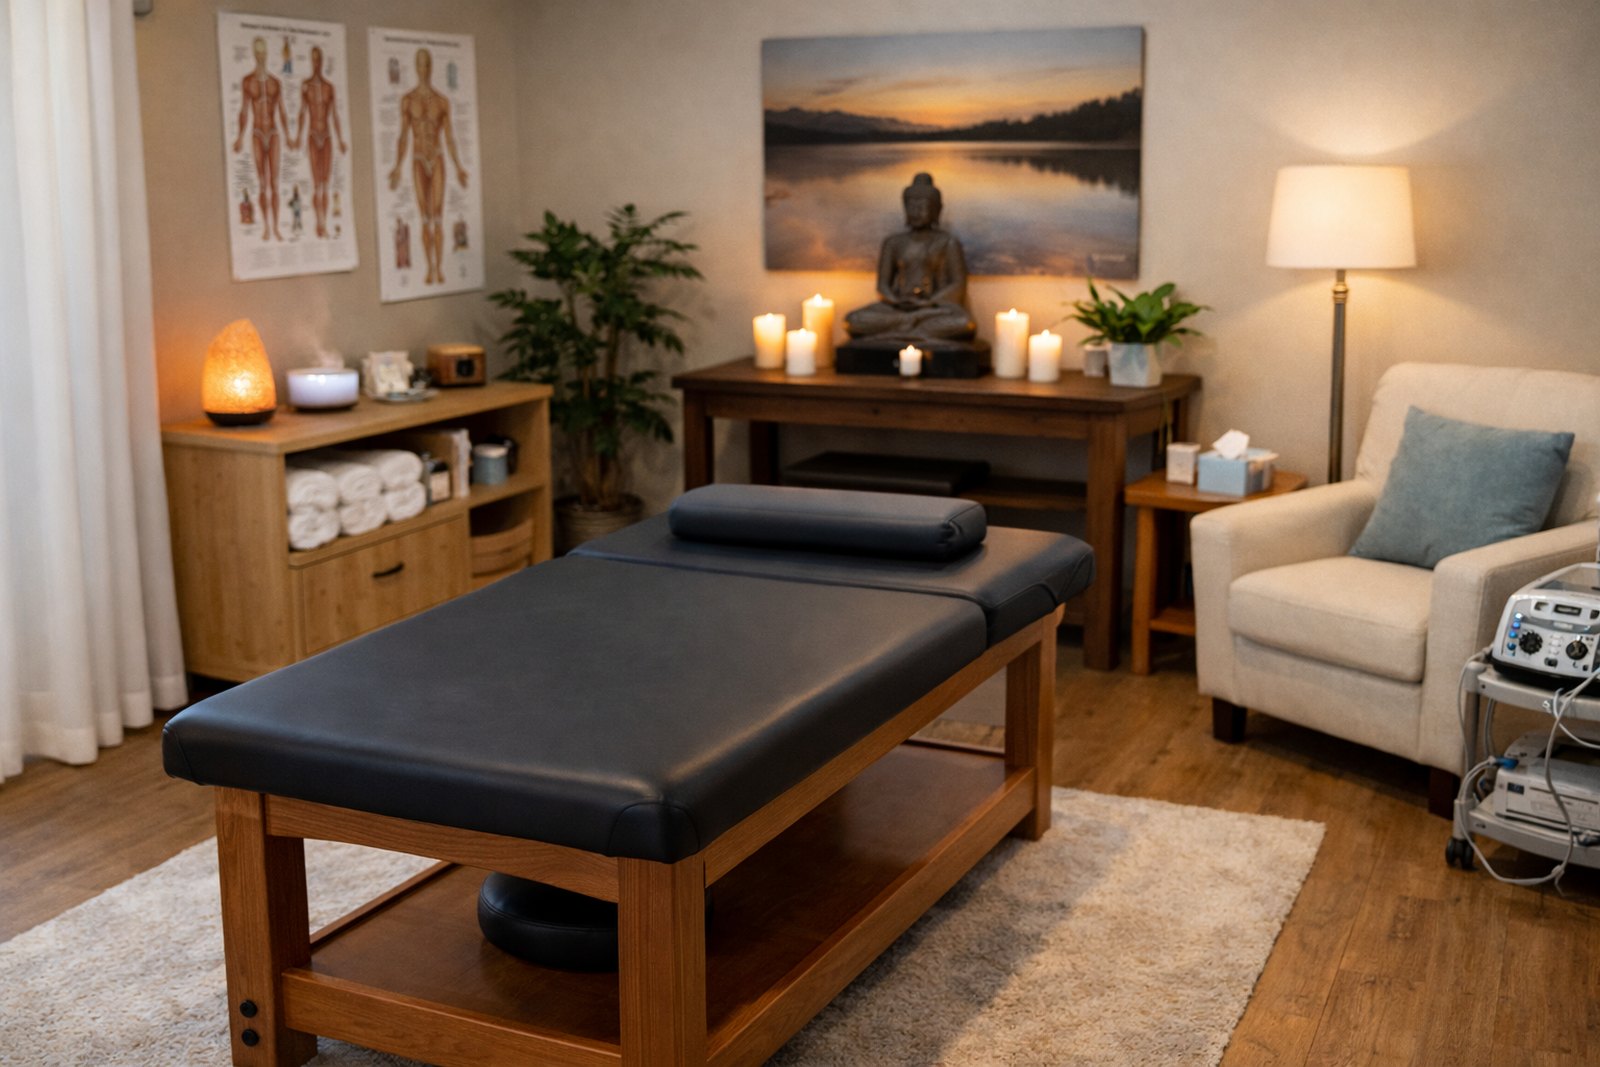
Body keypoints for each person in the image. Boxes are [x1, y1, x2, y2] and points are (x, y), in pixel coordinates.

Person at [843, 173, 977, 343]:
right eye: (911, 207)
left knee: (965, 324)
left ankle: (897, 332)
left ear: (936, 209)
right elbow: (882, 286)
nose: (916, 212)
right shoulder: (893, 242)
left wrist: (927, 304)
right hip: (899, 308)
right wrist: (896, 300)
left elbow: (958, 285)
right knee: (853, 320)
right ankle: (913, 330)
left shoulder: (948, 242)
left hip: (932, 309)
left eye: (922, 207)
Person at [388, 48, 468, 285]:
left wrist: (459, 166)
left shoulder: (442, 101)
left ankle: (439, 268)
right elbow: (403, 136)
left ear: (431, 67)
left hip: (438, 158)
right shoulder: (408, 100)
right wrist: (397, 166)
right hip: (418, 159)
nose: (424, 69)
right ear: (416, 67)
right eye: (420, 64)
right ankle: (429, 267)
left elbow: (450, 137)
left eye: (427, 64)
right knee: (425, 218)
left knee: (438, 217)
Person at [231, 37, 290, 242]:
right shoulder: (248, 82)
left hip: (273, 132)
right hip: (257, 132)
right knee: (262, 183)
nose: (261, 56)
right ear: (254, 54)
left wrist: (289, 136)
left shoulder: (275, 83)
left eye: (264, 52)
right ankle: (266, 227)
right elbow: (244, 111)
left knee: (274, 182)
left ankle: (276, 227)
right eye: (258, 52)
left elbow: (282, 111)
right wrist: (239, 137)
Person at [290, 45, 347, 239]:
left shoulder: (329, 87)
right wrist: (297, 137)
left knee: (326, 184)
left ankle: (325, 221)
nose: (316, 63)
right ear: (310, 61)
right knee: (316, 184)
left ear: (321, 61)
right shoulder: (306, 86)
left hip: (327, 136)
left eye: (318, 59)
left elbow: (335, 115)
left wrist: (340, 140)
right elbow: (302, 113)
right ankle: (319, 224)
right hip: (313, 135)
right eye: (313, 59)